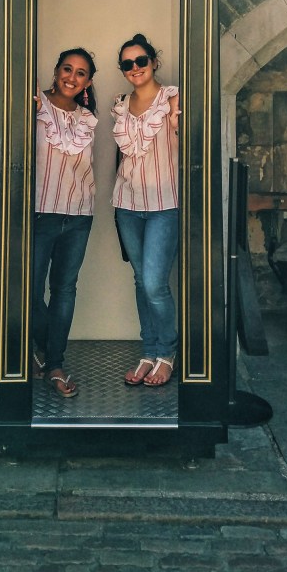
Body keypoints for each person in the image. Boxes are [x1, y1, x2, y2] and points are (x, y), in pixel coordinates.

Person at [112, 33, 180, 387]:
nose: (135, 68)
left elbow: (188, 135)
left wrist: (178, 123)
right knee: (141, 281)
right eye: (127, 64)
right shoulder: (121, 104)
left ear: (154, 61)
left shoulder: (172, 99)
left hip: (165, 205)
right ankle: (149, 350)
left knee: (155, 284)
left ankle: (167, 351)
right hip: (127, 205)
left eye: (141, 60)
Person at [33, 47, 98, 398]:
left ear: (88, 81)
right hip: (40, 212)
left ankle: (54, 363)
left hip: (78, 215)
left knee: (64, 291)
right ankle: (43, 350)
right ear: (56, 70)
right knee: (27, 291)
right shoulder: (35, 106)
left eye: (81, 73)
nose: (72, 77)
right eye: (67, 69)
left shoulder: (89, 118)